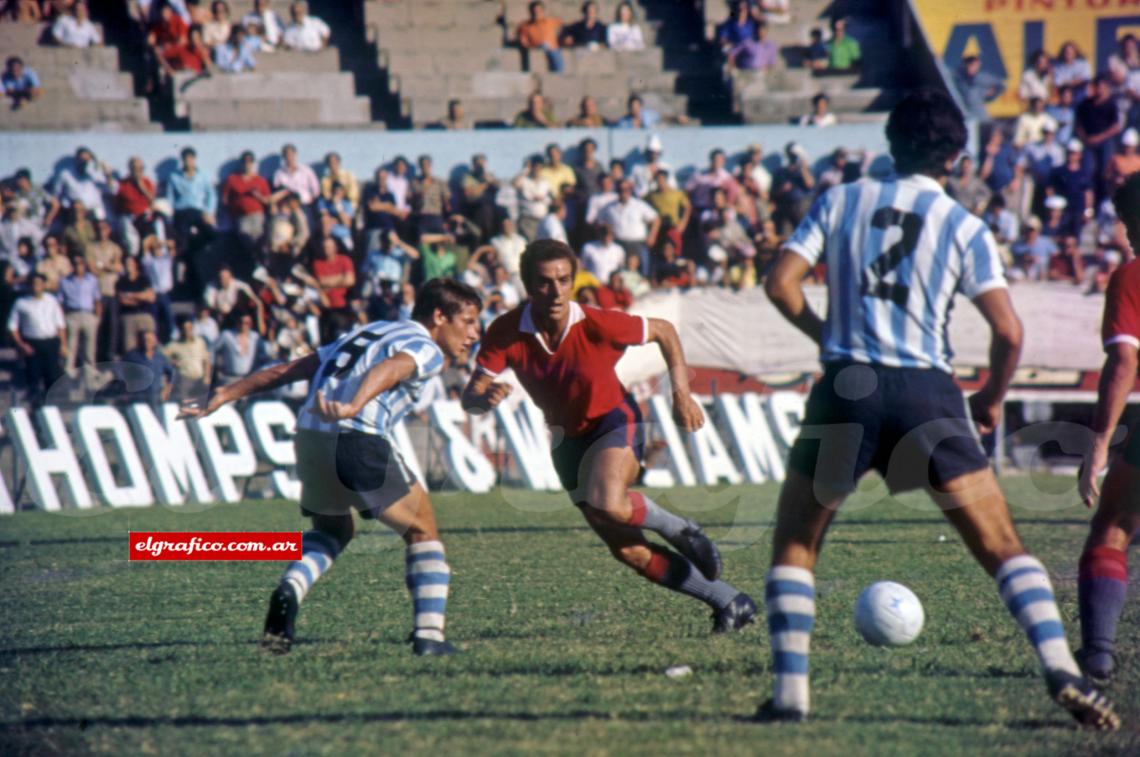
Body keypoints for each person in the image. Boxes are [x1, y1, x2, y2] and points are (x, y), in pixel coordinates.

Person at [757, 89, 1120, 729]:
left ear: (890, 144)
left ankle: (791, 698)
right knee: (1003, 545)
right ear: (954, 158)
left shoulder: (842, 200)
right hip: (929, 392)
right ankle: (1061, 666)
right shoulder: (963, 224)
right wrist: (989, 397)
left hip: (848, 387)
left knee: (795, 541)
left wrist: (830, 340)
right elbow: (1009, 332)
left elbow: (779, 284)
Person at [461, 240, 757, 633]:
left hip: (614, 421)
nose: (556, 292)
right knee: (629, 550)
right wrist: (484, 399)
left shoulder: (597, 322)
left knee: (610, 502)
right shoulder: (506, 330)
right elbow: (471, 396)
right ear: (529, 285)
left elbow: (665, 331)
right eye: (545, 283)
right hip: (566, 442)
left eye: (564, 280)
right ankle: (730, 602)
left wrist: (681, 395)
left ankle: (679, 528)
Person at [179, 278, 483, 656]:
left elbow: (289, 369)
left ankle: (291, 586)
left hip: (309, 437)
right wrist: (355, 404)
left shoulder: (369, 330)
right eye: (468, 321)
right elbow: (395, 367)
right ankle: (429, 637)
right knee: (422, 530)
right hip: (356, 436)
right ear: (439, 316)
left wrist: (225, 394)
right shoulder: (425, 346)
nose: (474, 333)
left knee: (334, 529)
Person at [1075, 173, 1140, 687]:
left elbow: (1123, 362)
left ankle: (1098, 656)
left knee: (1112, 528)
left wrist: (1098, 442)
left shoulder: (1132, 277)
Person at [7, 273, 66, 406]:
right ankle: (36, 408)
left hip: (50, 343)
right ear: (29, 285)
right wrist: (21, 345)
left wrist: (63, 344)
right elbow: (12, 327)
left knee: (52, 376)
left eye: (39, 284)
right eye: (33, 284)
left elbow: (60, 324)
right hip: (32, 344)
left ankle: (51, 406)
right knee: (33, 377)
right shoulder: (21, 303)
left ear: (44, 285)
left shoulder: (52, 300)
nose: (36, 287)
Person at [516, 1, 563, 73]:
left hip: (553, 49)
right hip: (536, 49)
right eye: (534, 11)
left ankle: (559, 74)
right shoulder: (525, 26)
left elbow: (565, 27)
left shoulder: (551, 21)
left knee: (554, 53)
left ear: (543, 11)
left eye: (539, 11)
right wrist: (534, 46)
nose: (536, 13)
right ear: (530, 12)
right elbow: (524, 42)